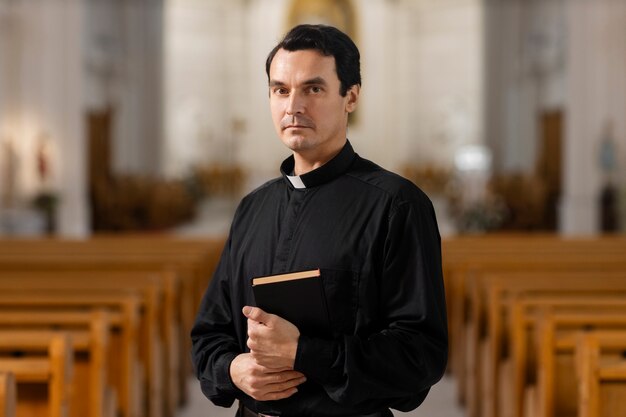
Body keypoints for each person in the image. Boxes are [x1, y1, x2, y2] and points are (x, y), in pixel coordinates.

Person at [191, 24, 448, 417]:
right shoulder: (251, 208)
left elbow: (419, 356)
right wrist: (233, 370)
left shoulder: (397, 205)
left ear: (351, 96)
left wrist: (303, 353)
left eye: (313, 88)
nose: (293, 106)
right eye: (280, 89)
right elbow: (209, 335)